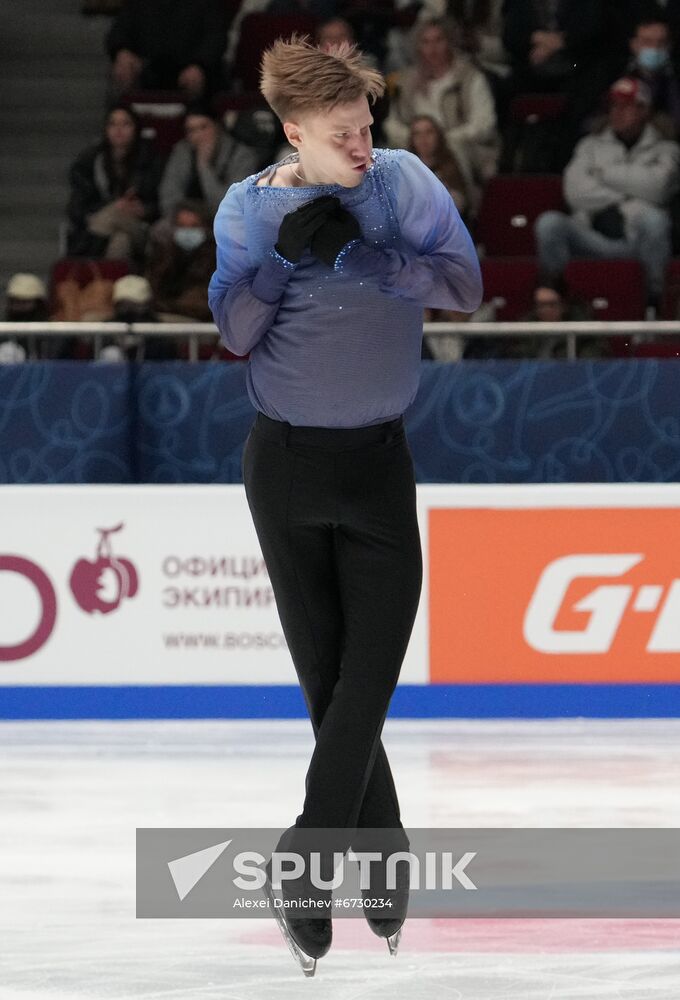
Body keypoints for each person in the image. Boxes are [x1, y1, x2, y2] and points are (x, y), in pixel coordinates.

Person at [208, 33, 482, 972]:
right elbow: (237, 332)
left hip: (378, 464)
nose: (363, 144)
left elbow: (466, 286)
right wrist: (282, 263)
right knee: (332, 682)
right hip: (283, 470)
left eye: (367, 126)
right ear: (294, 132)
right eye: (343, 134)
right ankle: (384, 848)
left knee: (366, 678)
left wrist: (373, 257)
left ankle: (307, 857)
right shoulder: (247, 210)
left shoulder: (403, 185)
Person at [534, 76, 680, 310]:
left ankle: (654, 303)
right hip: (592, 235)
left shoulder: (666, 149)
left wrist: (603, 174)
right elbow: (575, 192)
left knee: (656, 221)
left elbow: (658, 188)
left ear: (644, 110)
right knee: (549, 223)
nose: (616, 112)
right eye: (613, 106)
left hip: (637, 240)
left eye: (625, 106)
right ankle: (555, 302)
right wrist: (632, 193)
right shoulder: (589, 146)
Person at [382, 18, 500, 211]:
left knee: (452, 151)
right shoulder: (407, 81)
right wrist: (419, 141)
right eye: (426, 42)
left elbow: (484, 124)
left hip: (464, 149)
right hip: (417, 150)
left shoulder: (469, 77)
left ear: (449, 42)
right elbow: (392, 123)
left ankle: (460, 212)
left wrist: (440, 141)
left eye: (439, 40)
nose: (432, 48)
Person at [66, 105, 161, 262]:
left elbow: (164, 204)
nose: (119, 129)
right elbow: (77, 207)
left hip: (141, 228)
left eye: (125, 124)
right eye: (113, 124)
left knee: (115, 215)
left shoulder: (152, 160)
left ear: (136, 128)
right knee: (120, 241)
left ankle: (81, 260)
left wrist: (144, 210)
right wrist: (112, 206)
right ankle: (112, 284)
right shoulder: (90, 161)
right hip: (106, 226)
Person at [106, 0, 230, 99]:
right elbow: (118, 31)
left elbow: (216, 37)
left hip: (192, 68)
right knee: (122, 70)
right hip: (148, 69)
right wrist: (122, 52)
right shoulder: (137, 2)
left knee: (197, 78)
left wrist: (199, 64)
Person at [158, 102, 259, 222]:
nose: (198, 135)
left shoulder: (241, 155)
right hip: (184, 219)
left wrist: (204, 166)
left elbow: (232, 205)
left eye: (203, 127)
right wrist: (184, 216)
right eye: (191, 130)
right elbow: (168, 197)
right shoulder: (183, 150)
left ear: (217, 127)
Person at [146, 199, 216, 323]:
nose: (187, 232)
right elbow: (154, 288)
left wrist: (171, 305)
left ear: (205, 228)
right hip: (163, 317)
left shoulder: (217, 257)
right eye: (182, 226)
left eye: (194, 226)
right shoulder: (164, 253)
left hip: (203, 323)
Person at [408, 113, 470, 216]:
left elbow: (459, 204)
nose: (423, 138)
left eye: (429, 132)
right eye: (417, 133)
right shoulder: (404, 167)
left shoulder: (450, 166)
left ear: (439, 136)